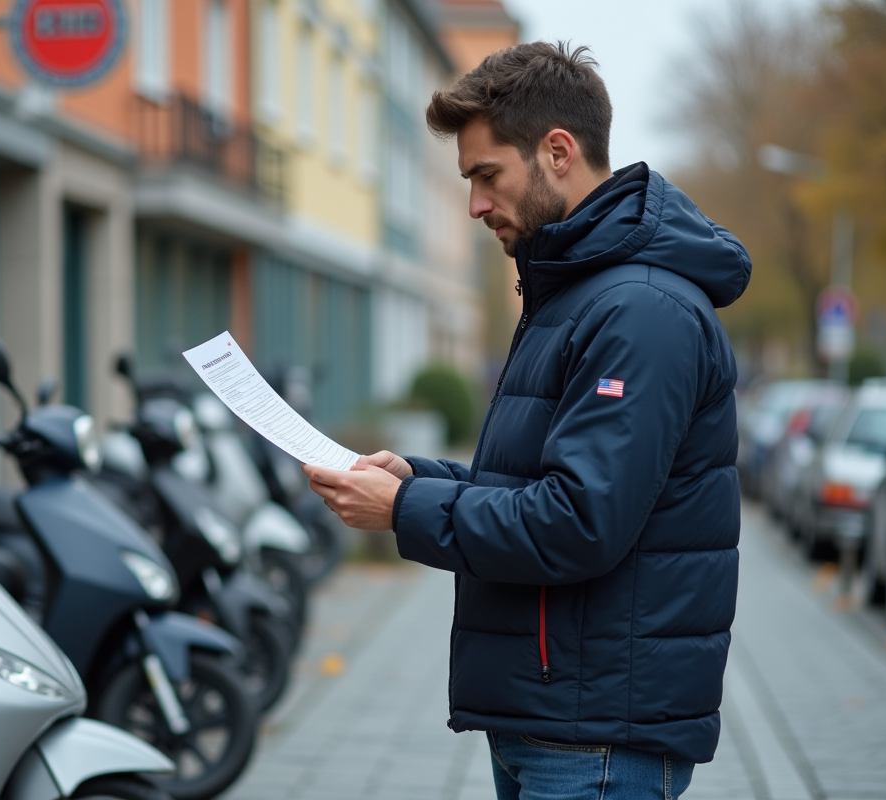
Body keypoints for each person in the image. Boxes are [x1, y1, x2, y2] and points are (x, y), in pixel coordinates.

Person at [302, 41, 750, 800]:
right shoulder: (575, 293)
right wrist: (419, 476)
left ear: (557, 152)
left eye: (487, 176)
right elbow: (539, 481)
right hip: (556, 720)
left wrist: (406, 511)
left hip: (598, 737)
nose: (476, 204)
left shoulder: (639, 311)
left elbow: (578, 520)